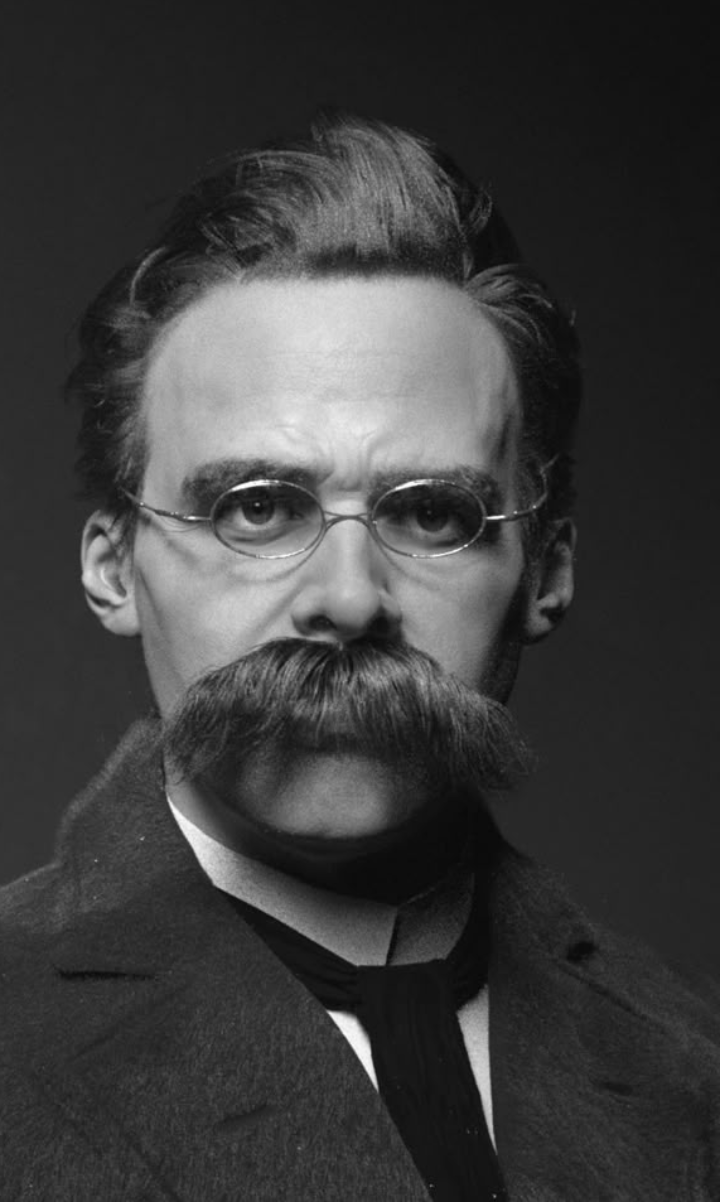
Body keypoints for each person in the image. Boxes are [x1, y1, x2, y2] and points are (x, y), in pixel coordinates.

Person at [1, 112, 718, 1202]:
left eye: (431, 514)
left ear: (547, 571)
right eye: (255, 507)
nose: (346, 597)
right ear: (112, 567)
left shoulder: (691, 1060)